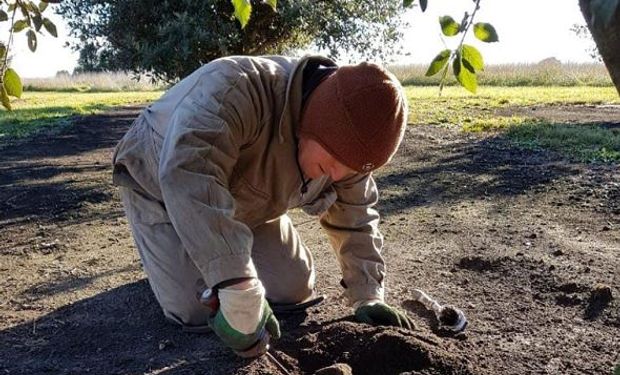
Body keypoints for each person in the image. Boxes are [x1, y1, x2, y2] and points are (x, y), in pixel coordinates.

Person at [112, 54, 414, 357]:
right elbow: (190, 172)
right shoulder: (236, 87)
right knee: (194, 308)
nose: (337, 177)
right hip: (161, 185)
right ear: (315, 122)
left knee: (292, 290)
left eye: (352, 170)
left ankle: (213, 257)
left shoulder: (349, 152)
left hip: (248, 202)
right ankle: (178, 261)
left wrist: (368, 295)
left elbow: (357, 217)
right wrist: (235, 283)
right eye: (333, 162)